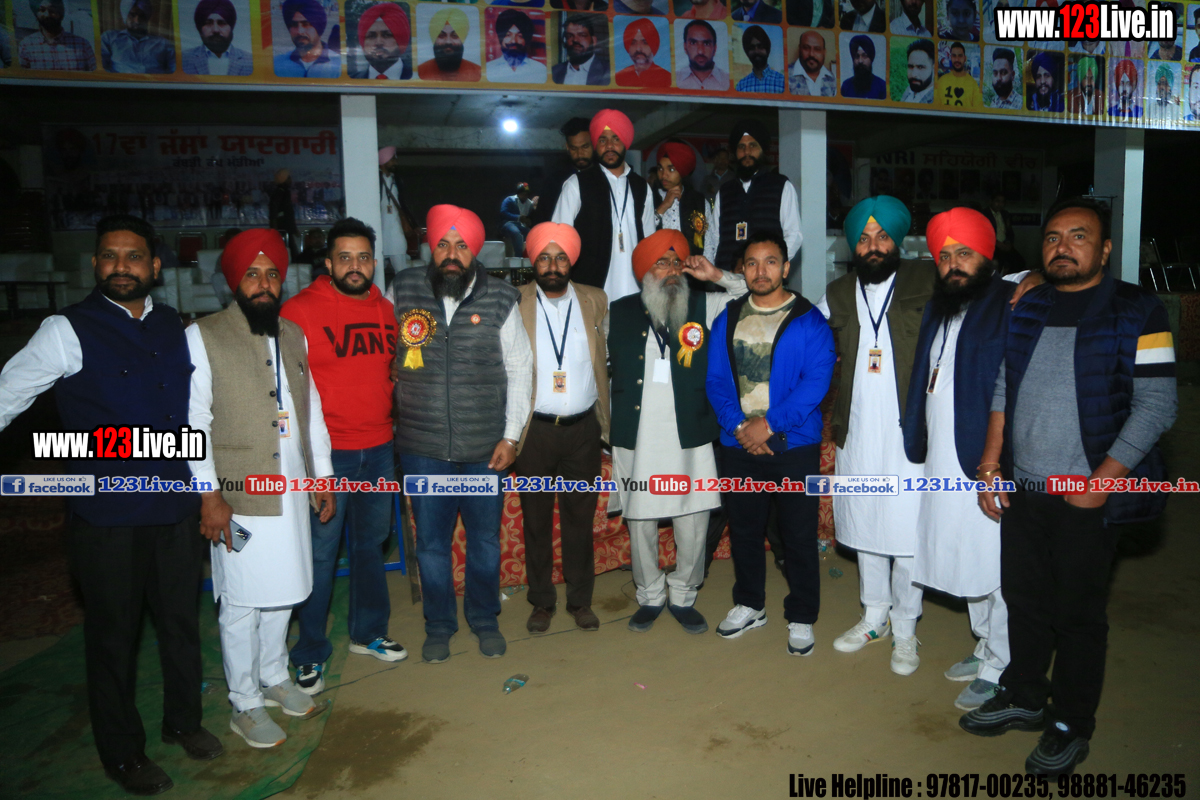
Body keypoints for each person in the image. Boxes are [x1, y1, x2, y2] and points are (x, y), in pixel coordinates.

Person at [0, 215, 220, 794]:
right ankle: (122, 755)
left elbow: (192, 417)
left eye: (134, 256)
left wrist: (205, 491)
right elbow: (7, 394)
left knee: (180, 627)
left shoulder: (173, 324)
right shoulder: (65, 329)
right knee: (113, 639)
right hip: (106, 519)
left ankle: (183, 723)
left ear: (154, 266)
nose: (121, 266)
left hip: (174, 509)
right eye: (109, 256)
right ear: (95, 263)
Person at [963, 197, 1176, 775]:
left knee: (1078, 615)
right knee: (1024, 599)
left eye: (1078, 236)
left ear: (1104, 250)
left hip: (1086, 496)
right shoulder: (1030, 306)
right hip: (1024, 489)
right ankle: (1025, 694)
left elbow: (1157, 405)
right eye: (1053, 237)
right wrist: (990, 464)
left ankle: (1071, 723)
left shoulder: (1139, 309)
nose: (1063, 247)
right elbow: (1005, 385)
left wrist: (1101, 483)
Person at [187, 229, 335, 748]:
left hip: (291, 491)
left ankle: (273, 676)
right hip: (238, 497)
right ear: (235, 281)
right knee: (242, 601)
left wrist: (322, 477)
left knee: (283, 590)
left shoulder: (293, 334)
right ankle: (244, 702)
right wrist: (209, 495)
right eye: (252, 274)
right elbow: (193, 421)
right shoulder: (203, 335)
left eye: (272, 273)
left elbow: (310, 409)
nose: (264, 283)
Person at [388, 205, 532, 663]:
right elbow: (382, 352)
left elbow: (520, 369)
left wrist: (511, 437)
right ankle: (439, 625)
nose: (452, 254)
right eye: (443, 245)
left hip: (483, 449)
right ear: (430, 248)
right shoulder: (402, 288)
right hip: (422, 447)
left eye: (462, 246)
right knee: (431, 544)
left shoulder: (501, 298)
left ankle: (485, 619)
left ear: (476, 252)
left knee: (484, 541)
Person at [280, 218, 406, 697]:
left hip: (379, 449)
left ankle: (367, 632)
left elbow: (392, 372)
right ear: (329, 262)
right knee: (320, 552)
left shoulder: (386, 310)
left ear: (374, 262)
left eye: (364, 257)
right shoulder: (298, 311)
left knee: (371, 544)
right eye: (345, 257)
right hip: (326, 456)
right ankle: (309, 651)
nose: (356, 266)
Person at [902, 209, 1015, 711]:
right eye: (944, 255)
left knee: (996, 562)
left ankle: (1001, 664)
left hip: (987, 458)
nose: (953, 264)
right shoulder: (940, 306)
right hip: (942, 457)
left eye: (964, 253)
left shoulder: (1010, 301)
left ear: (986, 256)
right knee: (964, 556)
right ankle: (984, 642)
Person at [610, 230, 747, 634]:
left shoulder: (705, 304)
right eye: (661, 262)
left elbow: (750, 294)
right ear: (644, 271)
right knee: (640, 520)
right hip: (636, 436)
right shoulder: (618, 311)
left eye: (676, 262)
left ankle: (684, 593)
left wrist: (715, 274)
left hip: (689, 432)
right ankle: (650, 595)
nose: (671, 270)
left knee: (694, 518)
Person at [705, 231, 836, 652]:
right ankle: (750, 604)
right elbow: (715, 381)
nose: (761, 271)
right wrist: (740, 428)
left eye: (771, 262)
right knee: (744, 530)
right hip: (738, 444)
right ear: (742, 269)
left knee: (798, 534)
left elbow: (816, 383)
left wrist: (769, 425)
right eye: (752, 263)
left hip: (794, 446)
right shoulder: (727, 318)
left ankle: (802, 614)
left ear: (786, 267)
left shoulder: (809, 320)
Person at [817, 196, 929, 675]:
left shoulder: (927, 280)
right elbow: (796, 322)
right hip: (858, 428)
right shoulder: (838, 292)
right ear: (853, 245)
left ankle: (905, 628)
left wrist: (1026, 280)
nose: (873, 246)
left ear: (898, 240)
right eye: (864, 239)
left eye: (882, 236)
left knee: (906, 531)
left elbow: (982, 284)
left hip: (911, 429)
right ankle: (873, 617)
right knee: (866, 525)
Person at [514, 223, 610, 633]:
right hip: (534, 433)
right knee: (535, 521)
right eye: (544, 258)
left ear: (571, 262)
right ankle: (541, 601)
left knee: (579, 520)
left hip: (583, 432)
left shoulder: (595, 299)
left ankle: (580, 600)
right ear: (533, 262)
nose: (552, 266)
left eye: (560, 258)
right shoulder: (514, 302)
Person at [553, 109, 656, 303]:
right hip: (590, 293)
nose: (609, 146)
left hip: (636, 292)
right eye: (602, 140)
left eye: (615, 139)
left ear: (625, 141)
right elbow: (558, 240)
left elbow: (650, 241)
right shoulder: (576, 184)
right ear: (595, 145)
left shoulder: (642, 187)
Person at [706, 118, 802, 275]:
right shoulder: (724, 192)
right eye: (741, 147)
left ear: (763, 149)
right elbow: (714, 238)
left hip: (765, 278)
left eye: (753, 146)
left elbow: (794, 235)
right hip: (728, 279)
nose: (747, 152)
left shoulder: (781, 186)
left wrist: (771, 266)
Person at [533, 118, 593, 226]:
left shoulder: (605, 177)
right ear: (567, 147)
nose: (580, 154)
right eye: (574, 148)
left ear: (594, 144)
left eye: (585, 147)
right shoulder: (554, 182)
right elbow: (542, 219)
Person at [654, 140, 708, 253]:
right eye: (660, 168)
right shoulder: (649, 197)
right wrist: (663, 207)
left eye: (671, 169)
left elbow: (708, 243)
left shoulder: (698, 201)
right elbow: (641, 234)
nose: (664, 175)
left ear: (682, 170)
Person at [19, 0, 97, 70]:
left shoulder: (83, 45)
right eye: (42, 10)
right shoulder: (26, 45)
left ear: (60, 13)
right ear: (36, 14)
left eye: (52, 10)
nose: (47, 14)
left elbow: (95, 76)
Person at [101, 0, 175, 74]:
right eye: (132, 15)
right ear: (125, 16)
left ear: (147, 18)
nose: (137, 21)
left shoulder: (163, 43)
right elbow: (101, 68)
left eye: (142, 16)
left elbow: (174, 71)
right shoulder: (109, 38)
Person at [183, 0, 254, 75]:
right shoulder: (184, 59)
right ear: (200, 28)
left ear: (231, 27)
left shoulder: (250, 61)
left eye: (222, 23)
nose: (215, 30)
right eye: (208, 23)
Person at [274, 0, 341, 78]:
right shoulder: (277, 64)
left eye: (306, 24)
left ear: (319, 28)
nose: (300, 31)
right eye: (294, 25)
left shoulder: (339, 65)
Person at [417, 6, 481, 81]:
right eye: (441, 36)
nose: (448, 41)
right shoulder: (420, 72)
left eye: (454, 36)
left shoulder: (478, 73)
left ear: (462, 39)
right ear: (434, 38)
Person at [351, 1, 412, 79]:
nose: (378, 42)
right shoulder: (350, 82)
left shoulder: (421, 81)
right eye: (371, 36)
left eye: (387, 35)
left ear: (401, 41)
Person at [487, 9, 547, 83]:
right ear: (501, 38)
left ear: (526, 40)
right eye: (508, 35)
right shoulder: (488, 68)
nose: (513, 41)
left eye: (519, 36)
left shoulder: (540, 69)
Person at [378, 146, 412, 276]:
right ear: (384, 161)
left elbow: (403, 204)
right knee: (377, 272)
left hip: (395, 230)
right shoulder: (374, 179)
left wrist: (413, 224)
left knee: (401, 270)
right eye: (393, 159)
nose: (395, 163)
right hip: (379, 231)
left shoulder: (396, 179)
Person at [552, 13, 609, 85]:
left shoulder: (609, 71)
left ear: (594, 41)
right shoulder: (554, 71)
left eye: (582, 35)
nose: (575, 40)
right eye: (570, 36)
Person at [614, 18, 671, 88]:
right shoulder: (618, 78)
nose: (638, 49)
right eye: (633, 43)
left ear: (653, 45)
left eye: (645, 43)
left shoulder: (667, 78)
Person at [676, 19, 730, 90]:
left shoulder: (728, 81)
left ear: (715, 48)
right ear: (685, 47)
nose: (700, 51)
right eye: (693, 43)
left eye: (706, 44)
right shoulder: (675, 79)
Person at [983, 193, 1025, 274]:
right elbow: (984, 234)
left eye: (1002, 202)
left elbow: (1009, 231)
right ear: (991, 201)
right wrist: (997, 243)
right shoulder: (985, 214)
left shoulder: (1005, 214)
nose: (1000, 204)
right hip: (992, 246)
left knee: (1020, 262)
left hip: (1005, 244)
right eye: (997, 201)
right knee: (998, 262)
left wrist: (1009, 242)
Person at [736, 24, 784, 93]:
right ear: (747, 52)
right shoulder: (741, 86)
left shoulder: (782, 82)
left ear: (767, 49)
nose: (756, 51)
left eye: (760, 46)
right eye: (752, 48)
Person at [789, 30, 837, 96]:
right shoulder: (785, 76)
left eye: (817, 49)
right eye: (806, 48)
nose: (811, 54)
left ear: (824, 52)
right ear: (800, 49)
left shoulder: (833, 79)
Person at [269, 168, 301, 260]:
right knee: (288, 251)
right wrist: (275, 228)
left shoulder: (283, 192)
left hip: (285, 227)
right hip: (282, 227)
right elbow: (275, 211)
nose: (290, 181)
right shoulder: (280, 192)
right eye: (288, 178)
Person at [841, 34, 887, 98]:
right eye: (857, 56)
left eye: (864, 56)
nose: (860, 61)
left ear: (871, 59)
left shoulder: (882, 87)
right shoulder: (846, 86)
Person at [937, 41, 982, 108]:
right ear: (951, 58)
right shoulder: (942, 81)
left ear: (965, 58)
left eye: (960, 56)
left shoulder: (973, 84)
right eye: (954, 56)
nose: (957, 59)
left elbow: (977, 110)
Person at [500, 182, 535, 257]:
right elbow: (503, 212)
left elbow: (530, 216)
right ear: (519, 193)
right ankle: (519, 257)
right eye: (523, 193)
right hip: (509, 223)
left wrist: (528, 221)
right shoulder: (510, 200)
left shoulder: (529, 203)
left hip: (522, 225)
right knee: (516, 233)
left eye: (526, 194)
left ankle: (530, 256)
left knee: (532, 234)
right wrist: (518, 217)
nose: (525, 195)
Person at [901, 38, 935, 103]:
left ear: (934, 68)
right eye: (910, 67)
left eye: (920, 67)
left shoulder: (937, 99)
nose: (913, 74)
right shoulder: (910, 89)